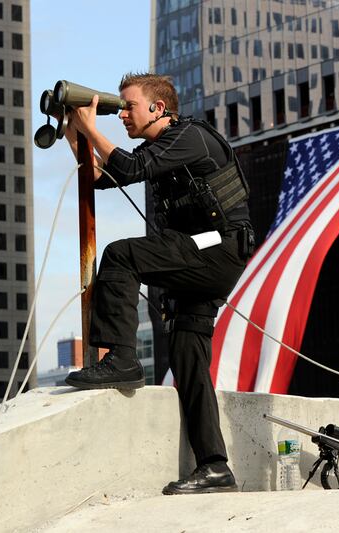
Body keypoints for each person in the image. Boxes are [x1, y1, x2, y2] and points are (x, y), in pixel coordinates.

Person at [62, 73, 254, 495]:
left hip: (218, 248)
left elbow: (128, 168)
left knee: (121, 254)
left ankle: (123, 359)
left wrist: (93, 126)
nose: (124, 114)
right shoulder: (161, 148)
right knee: (188, 358)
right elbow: (102, 176)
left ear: (159, 109)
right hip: (202, 255)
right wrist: (76, 132)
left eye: (129, 106)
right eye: (122, 107)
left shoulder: (190, 138)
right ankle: (215, 467)